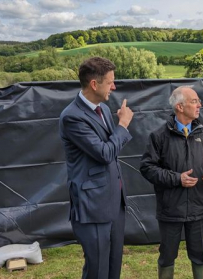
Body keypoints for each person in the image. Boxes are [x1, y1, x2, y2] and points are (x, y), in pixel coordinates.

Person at [59, 57, 134, 279]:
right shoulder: (72, 117)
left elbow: (110, 150)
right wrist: (122, 125)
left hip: (113, 203)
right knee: (98, 270)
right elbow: (104, 153)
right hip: (93, 208)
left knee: (113, 267)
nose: (114, 86)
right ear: (94, 84)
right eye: (110, 82)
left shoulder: (102, 109)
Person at [140, 86, 203, 279]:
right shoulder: (159, 136)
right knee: (167, 257)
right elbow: (147, 168)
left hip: (199, 207)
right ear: (179, 107)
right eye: (194, 101)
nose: (200, 105)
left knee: (200, 256)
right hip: (171, 210)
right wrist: (177, 179)